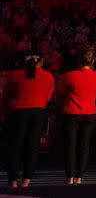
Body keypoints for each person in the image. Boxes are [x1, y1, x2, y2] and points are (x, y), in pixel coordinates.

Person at [4, 53, 54, 188]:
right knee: (32, 146)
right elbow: (48, 97)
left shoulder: (13, 75)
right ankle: (26, 181)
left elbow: (6, 96)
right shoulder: (48, 76)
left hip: (18, 112)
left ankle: (13, 181)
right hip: (38, 112)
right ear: (41, 62)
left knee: (14, 146)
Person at [59, 47, 96, 185]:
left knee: (71, 145)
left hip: (72, 113)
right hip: (89, 112)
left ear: (78, 61)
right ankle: (79, 177)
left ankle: (69, 177)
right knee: (84, 145)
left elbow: (60, 93)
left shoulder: (69, 75)